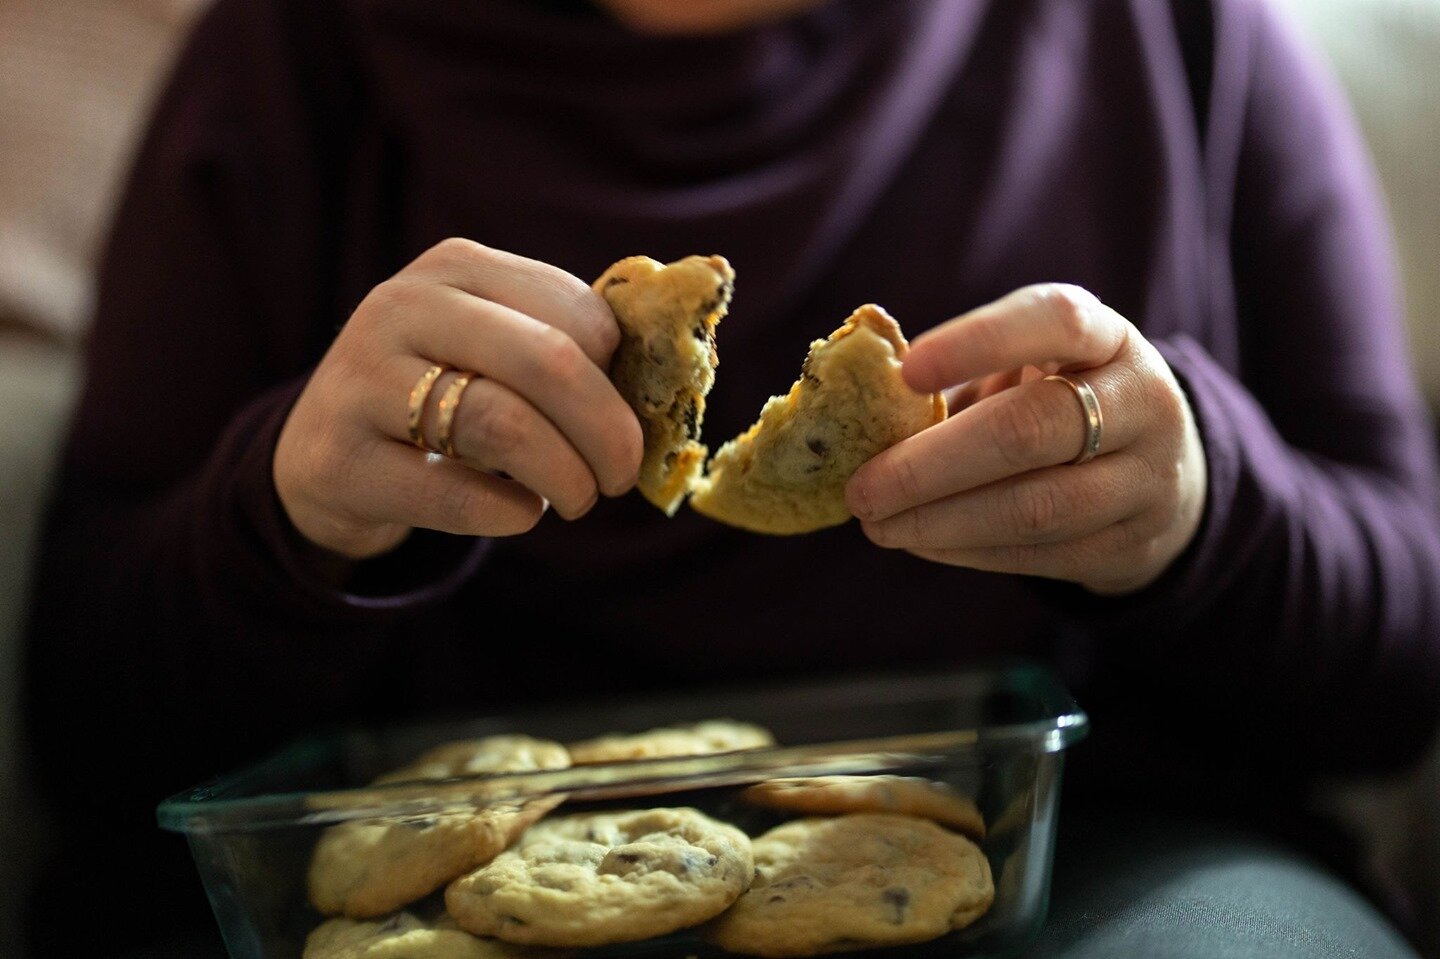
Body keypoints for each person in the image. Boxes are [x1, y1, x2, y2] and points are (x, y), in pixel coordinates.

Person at [19, 0, 1440, 956]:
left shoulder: (1174, 37)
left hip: (1100, 867)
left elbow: (1398, 672)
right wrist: (290, 516)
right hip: (445, 899)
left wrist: (1203, 516)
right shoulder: (295, 55)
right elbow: (90, 725)